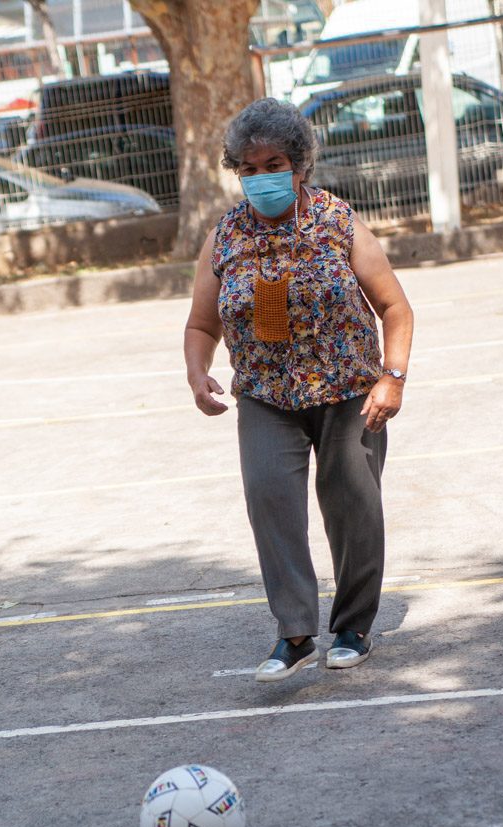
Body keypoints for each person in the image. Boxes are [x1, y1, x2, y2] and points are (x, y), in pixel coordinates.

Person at [184, 97, 413, 682]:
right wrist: (196, 371)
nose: (262, 176)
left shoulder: (338, 222)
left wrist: (394, 376)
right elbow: (202, 323)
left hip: (349, 392)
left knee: (353, 506)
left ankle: (354, 627)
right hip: (266, 395)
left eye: (274, 163)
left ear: (301, 165)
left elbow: (394, 307)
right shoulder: (226, 236)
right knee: (270, 502)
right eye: (249, 167)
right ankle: (294, 633)